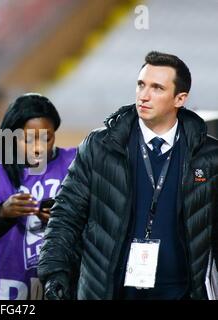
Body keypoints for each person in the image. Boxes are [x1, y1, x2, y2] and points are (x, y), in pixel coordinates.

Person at [38, 51, 218, 300]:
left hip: (180, 293)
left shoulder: (209, 156)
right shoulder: (100, 146)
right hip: (108, 291)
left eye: (157, 88)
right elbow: (66, 214)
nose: (143, 95)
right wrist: (55, 271)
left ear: (180, 98)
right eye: (141, 84)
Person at [0, 93, 77, 299]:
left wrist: (64, 220)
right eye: (28, 139)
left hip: (50, 290)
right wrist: (1, 214)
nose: (38, 148)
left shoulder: (73, 164)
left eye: (47, 138)